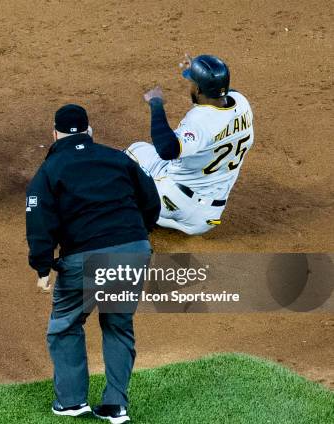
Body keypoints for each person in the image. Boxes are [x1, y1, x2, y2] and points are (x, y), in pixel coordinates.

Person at [26, 104, 160, 423]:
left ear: (54, 134)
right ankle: (116, 405)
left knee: (66, 324)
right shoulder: (118, 159)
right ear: (90, 131)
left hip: (84, 257)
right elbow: (151, 200)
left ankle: (72, 401)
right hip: (133, 251)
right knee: (117, 324)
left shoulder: (49, 170)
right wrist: (136, 236)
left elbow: (39, 221)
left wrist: (42, 268)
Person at [125, 54, 254, 234]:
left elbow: (167, 149)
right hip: (208, 217)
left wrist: (156, 104)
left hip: (174, 201)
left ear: (199, 90)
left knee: (132, 154)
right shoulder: (241, 103)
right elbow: (226, 90)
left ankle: (137, 213)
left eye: (192, 82)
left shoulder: (200, 121)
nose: (190, 85)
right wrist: (200, 71)